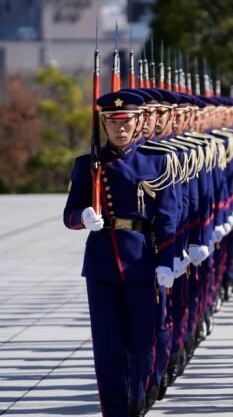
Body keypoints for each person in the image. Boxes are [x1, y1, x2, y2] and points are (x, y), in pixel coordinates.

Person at [63, 90, 179, 416]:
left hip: (140, 262)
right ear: (103, 124)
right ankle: (115, 411)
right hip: (101, 265)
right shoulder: (88, 164)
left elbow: (167, 218)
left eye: (126, 121)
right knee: (107, 349)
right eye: (112, 123)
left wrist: (166, 261)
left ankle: (136, 395)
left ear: (138, 121)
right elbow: (69, 214)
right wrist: (83, 216)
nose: (120, 129)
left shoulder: (156, 161)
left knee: (142, 346)